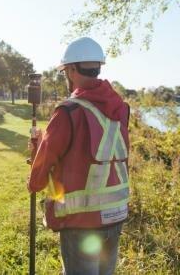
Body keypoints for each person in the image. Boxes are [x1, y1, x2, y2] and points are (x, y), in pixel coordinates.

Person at [28, 37, 130, 275]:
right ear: (97, 68)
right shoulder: (120, 109)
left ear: (72, 70)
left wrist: (34, 183)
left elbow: (45, 161)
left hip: (81, 222)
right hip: (115, 216)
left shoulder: (68, 111)